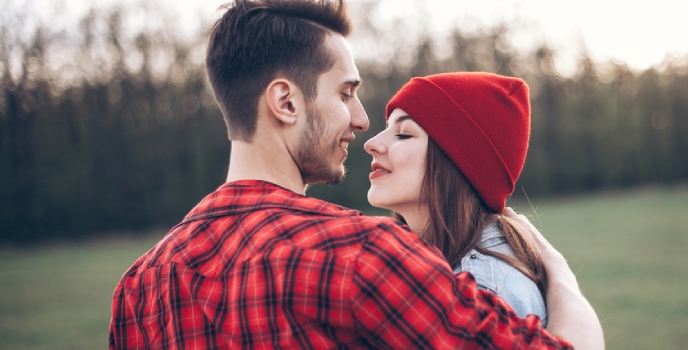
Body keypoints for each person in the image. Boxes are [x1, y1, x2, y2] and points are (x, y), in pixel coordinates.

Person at [109, 0, 604, 349]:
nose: (362, 120)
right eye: (346, 93)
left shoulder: (138, 289)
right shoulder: (359, 256)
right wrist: (560, 278)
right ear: (286, 102)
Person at [365, 72, 549, 325]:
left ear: (458, 163)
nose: (371, 143)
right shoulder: (432, 269)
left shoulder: (483, 294)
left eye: (404, 133)